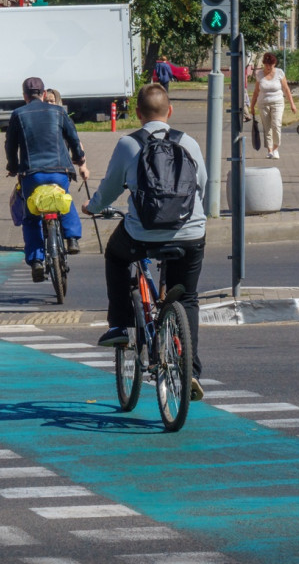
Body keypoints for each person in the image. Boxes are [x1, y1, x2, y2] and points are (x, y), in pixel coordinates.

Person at [82, 84, 207, 401]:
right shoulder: (189, 142)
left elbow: (110, 189)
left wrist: (92, 207)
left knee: (115, 255)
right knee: (188, 297)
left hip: (142, 234)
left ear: (137, 114)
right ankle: (188, 367)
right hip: (190, 232)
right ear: (170, 111)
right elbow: (202, 186)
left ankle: (119, 327)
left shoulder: (128, 144)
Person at [5, 77, 88, 281]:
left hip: (32, 174)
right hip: (59, 172)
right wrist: (79, 158)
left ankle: (36, 260)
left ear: (24, 96)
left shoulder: (18, 114)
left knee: (31, 216)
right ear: (43, 94)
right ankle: (72, 239)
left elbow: (10, 145)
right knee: (64, 201)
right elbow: (73, 138)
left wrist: (13, 166)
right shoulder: (59, 112)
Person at [251, 52, 297, 160]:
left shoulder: (279, 73)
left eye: (270, 65)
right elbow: (256, 91)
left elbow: (286, 89)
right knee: (267, 127)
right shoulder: (259, 74)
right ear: (264, 64)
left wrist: (292, 104)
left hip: (277, 102)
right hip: (263, 104)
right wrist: (252, 106)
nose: (268, 67)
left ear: (274, 64)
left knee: (276, 125)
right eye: (266, 65)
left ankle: (276, 148)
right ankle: (270, 151)